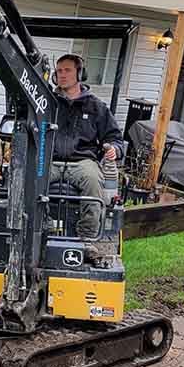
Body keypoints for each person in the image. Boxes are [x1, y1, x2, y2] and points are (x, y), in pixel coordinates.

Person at [50, 53, 126, 240]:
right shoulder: (47, 103)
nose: (62, 75)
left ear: (80, 74)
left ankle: (86, 238)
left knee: (93, 182)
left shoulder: (96, 107)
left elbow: (115, 138)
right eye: (59, 71)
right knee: (30, 179)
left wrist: (114, 149)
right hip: (50, 160)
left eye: (67, 70)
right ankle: (42, 228)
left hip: (83, 162)